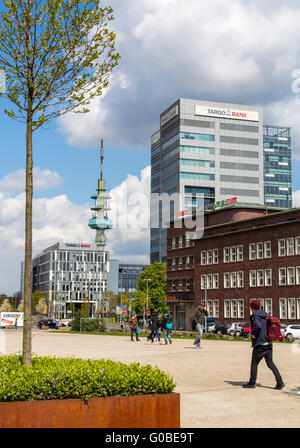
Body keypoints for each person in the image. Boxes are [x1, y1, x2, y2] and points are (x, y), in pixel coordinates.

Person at [243, 300, 284, 389]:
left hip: (260, 343)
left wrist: (253, 333)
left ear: (252, 307)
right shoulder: (265, 314)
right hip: (268, 342)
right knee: (270, 363)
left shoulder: (255, 316)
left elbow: (258, 326)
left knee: (254, 363)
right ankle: (280, 382)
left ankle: (251, 383)